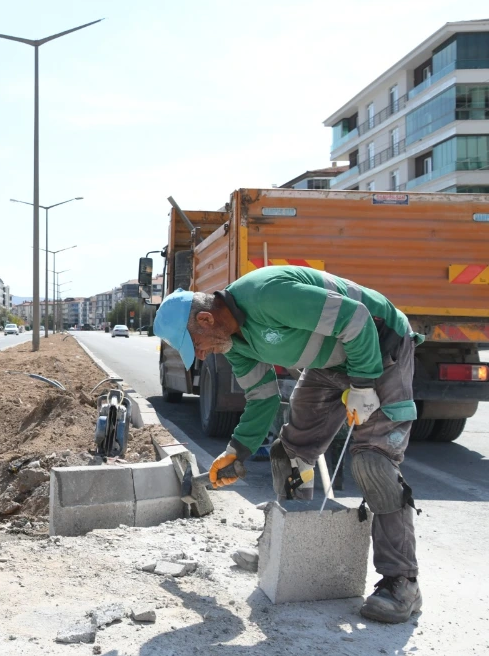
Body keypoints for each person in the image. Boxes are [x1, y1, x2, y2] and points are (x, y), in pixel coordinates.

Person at [152, 265, 422, 624]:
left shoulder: (268, 295)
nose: (201, 356)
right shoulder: (234, 341)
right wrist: (237, 451)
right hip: (331, 361)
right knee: (287, 456)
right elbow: (262, 398)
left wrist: (363, 382)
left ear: (206, 319)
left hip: (381, 346)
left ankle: (401, 582)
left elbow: (357, 320)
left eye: (197, 346)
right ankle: (286, 550)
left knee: (373, 464)